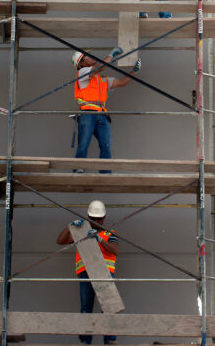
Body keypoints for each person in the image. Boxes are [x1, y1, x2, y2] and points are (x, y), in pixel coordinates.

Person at [56, 200, 119, 345]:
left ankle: (109, 340)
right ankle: (85, 341)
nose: (96, 221)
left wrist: (99, 240)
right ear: (88, 217)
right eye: (93, 218)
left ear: (104, 218)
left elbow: (115, 250)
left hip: (105, 274)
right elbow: (60, 240)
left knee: (108, 309)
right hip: (86, 273)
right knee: (86, 309)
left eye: (99, 219)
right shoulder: (81, 233)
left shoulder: (109, 233)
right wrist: (70, 226)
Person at [72, 49, 139, 172]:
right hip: (87, 112)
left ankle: (105, 171)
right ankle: (78, 168)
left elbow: (122, 82)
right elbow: (99, 68)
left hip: (102, 114)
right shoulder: (82, 72)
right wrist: (111, 55)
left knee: (106, 145)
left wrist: (134, 72)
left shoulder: (101, 79)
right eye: (87, 56)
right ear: (82, 63)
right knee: (83, 143)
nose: (91, 57)